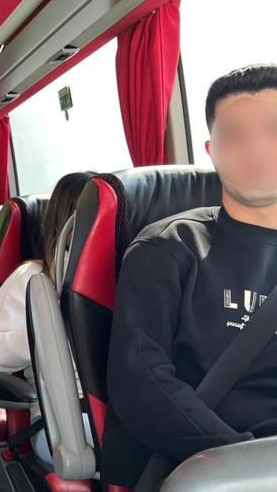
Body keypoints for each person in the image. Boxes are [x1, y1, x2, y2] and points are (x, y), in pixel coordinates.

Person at [103, 64, 277, 487]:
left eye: (272, 129)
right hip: (212, 469)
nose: (256, 149)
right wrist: (243, 467)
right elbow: (140, 382)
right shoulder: (168, 248)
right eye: (235, 135)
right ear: (212, 150)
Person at [0, 171, 94, 462]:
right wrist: (45, 333)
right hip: (67, 418)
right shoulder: (32, 277)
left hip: (126, 406)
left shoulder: (129, 271)